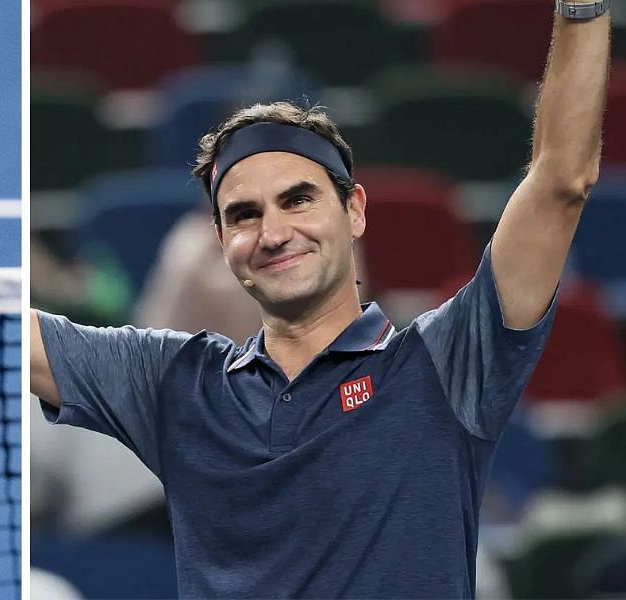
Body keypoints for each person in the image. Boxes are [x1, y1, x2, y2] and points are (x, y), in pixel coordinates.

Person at [31, 4, 609, 597]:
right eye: (244, 215)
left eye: (298, 199)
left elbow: (561, 180)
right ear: (223, 242)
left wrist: (582, 8)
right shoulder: (177, 382)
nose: (274, 232)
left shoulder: (443, 363)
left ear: (354, 210)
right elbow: (3, 331)